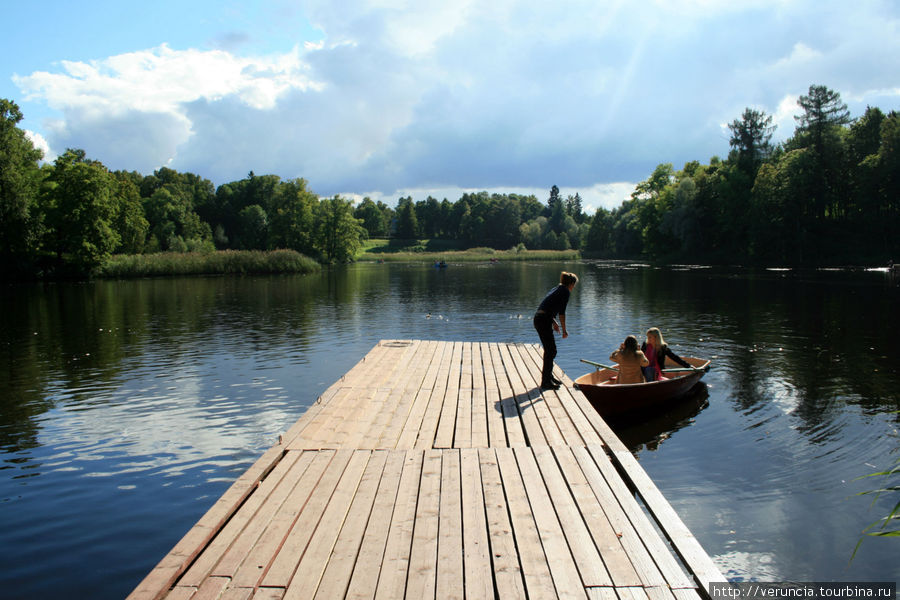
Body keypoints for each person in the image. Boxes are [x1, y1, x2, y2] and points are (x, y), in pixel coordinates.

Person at [533, 271, 578, 390]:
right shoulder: (565, 291)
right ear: (571, 283)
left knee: (550, 350)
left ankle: (548, 377)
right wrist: (564, 330)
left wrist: (553, 321)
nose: (574, 288)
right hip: (543, 320)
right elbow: (562, 312)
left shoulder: (558, 288)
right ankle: (545, 381)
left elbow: (548, 305)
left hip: (541, 318)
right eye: (574, 285)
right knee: (551, 350)